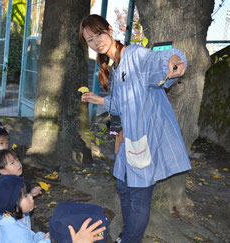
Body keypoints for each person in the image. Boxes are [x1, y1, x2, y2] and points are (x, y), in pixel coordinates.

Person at [79, 14, 191, 243]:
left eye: (98, 34)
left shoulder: (134, 55)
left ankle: (130, 239)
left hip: (146, 140)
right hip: (129, 141)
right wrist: (100, 101)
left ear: (109, 30)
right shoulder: (114, 65)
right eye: (89, 40)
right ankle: (129, 235)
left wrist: (176, 59)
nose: (96, 42)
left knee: (139, 197)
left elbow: (160, 60)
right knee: (122, 185)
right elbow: (122, 105)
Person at [0, 175, 50, 243]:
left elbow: (30, 237)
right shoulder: (15, 232)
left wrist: (43, 237)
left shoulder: (15, 220)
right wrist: (47, 240)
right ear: (15, 206)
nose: (31, 197)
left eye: (29, 193)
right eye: (26, 196)